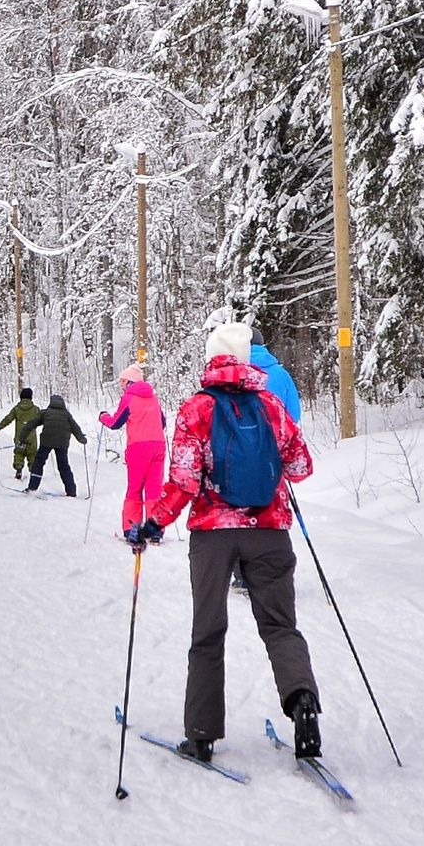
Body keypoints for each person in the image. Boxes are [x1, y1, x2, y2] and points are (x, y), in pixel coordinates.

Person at [127, 321, 321, 763]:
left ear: (212, 357)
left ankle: (201, 735)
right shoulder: (272, 406)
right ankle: (302, 700)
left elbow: (183, 482)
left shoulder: (196, 409)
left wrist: (153, 524)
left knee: (208, 632)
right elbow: (301, 466)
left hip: (213, 538)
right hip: (270, 532)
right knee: (280, 626)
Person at [99, 366, 168, 533]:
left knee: (135, 489)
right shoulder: (153, 398)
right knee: (154, 489)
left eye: (123, 381)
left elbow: (116, 423)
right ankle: (155, 531)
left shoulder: (128, 398)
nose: (121, 384)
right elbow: (163, 423)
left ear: (131, 382)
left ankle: (132, 529)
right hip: (158, 446)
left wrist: (103, 417)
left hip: (138, 448)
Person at [26, 391, 83, 496]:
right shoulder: (67, 415)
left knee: (39, 463)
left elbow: (31, 424)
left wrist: (22, 437)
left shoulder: (46, 412)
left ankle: (32, 488)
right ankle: (71, 491)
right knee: (63, 465)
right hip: (62, 443)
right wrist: (82, 439)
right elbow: (75, 428)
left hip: (46, 441)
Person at [0, 388, 43, 481]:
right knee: (32, 454)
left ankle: (19, 468)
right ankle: (33, 470)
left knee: (19, 453)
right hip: (32, 438)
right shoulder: (35, 409)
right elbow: (42, 419)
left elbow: (8, 419)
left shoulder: (16, 409)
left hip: (20, 437)